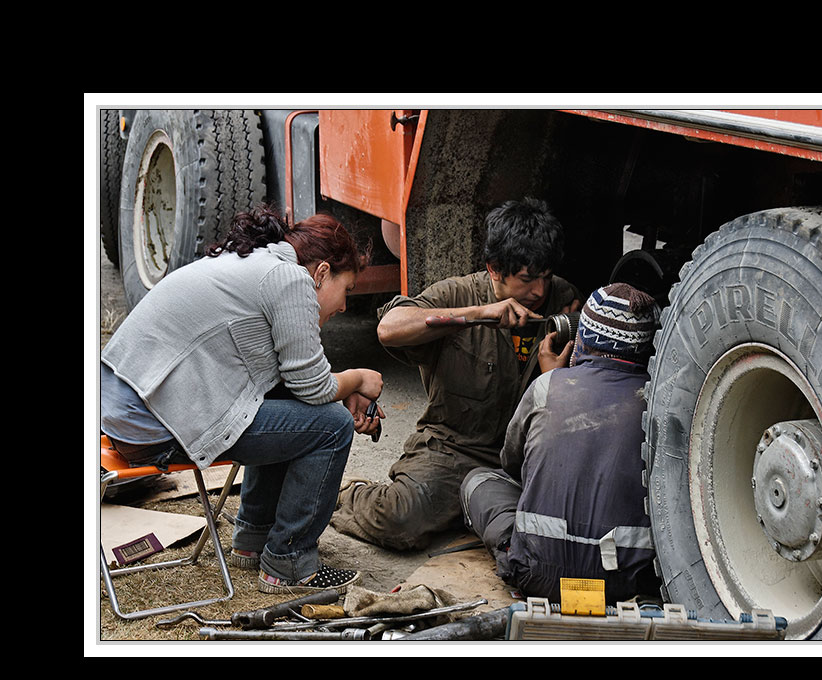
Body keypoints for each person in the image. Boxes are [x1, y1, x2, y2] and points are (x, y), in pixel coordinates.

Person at [101, 205, 384, 595]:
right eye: (346, 290)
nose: (344, 307)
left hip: (124, 414)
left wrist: (342, 390)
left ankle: (252, 539)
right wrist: (359, 378)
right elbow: (314, 388)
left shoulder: (257, 262)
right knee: (332, 428)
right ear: (321, 273)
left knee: (289, 402)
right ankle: (288, 562)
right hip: (152, 427)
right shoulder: (290, 279)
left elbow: (295, 382)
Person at [332, 197, 582, 550]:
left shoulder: (563, 297)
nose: (539, 291)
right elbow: (390, 328)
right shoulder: (458, 293)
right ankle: (350, 493)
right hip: (456, 450)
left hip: (529, 453)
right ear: (495, 269)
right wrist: (480, 313)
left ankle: (471, 509)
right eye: (527, 279)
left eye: (545, 277)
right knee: (400, 518)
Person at [459, 283, 662, 604]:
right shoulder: (660, 404)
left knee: (478, 480)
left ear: (582, 337)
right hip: (625, 583)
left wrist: (555, 382)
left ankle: (511, 553)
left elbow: (513, 465)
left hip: (539, 576)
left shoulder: (545, 386)